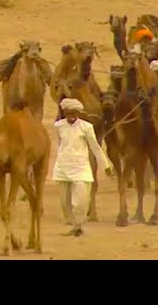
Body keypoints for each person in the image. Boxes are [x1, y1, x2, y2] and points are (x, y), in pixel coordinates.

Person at [52, 98, 113, 237]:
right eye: (68, 113)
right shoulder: (59, 126)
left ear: (78, 113)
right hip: (63, 167)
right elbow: (59, 146)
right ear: (65, 113)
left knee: (80, 201)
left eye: (74, 113)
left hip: (81, 167)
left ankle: (79, 226)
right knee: (64, 202)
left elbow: (95, 147)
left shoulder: (86, 127)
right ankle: (74, 226)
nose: (71, 115)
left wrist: (105, 165)